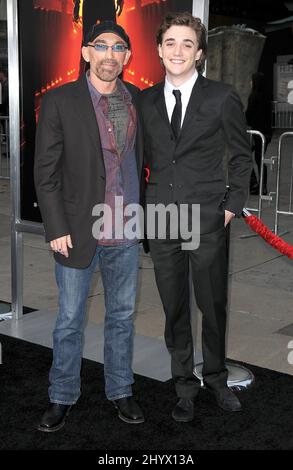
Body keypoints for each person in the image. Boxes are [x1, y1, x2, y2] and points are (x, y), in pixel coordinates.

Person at [140, 11, 252, 422]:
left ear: (199, 53)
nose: (178, 50)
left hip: (206, 217)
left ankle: (218, 378)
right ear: (159, 50)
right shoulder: (145, 100)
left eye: (187, 44)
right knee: (174, 306)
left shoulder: (221, 97)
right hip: (162, 217)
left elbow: (242, 156)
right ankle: (184, 383)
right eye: (170, 42)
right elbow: (138, 160)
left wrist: (231, 206)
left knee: (212, 303)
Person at [34, 20, 145, 432]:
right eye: (101, 47)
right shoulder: (61, 101)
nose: (109, 55)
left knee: (121, 317)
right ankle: (61, 396)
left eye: (118, 49)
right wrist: (55, 226)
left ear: (127, 57)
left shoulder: (134, 99)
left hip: (127, 227)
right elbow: (45, 173)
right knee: (69, 320)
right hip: (78, 229)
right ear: (86, 53)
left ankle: (121, 390)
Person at [246, 72, 272, 195]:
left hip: (257, 133)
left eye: (252, 80)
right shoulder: (267, 96)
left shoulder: (254, 96)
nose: (250, 83)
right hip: (266, 133)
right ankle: (261, 186)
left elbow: (249, 114)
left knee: (247, 156)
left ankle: (256, 184)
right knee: (259, 159)